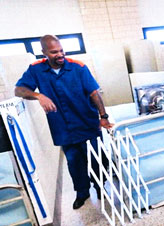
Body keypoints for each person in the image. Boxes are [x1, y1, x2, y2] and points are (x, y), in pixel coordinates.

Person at [15, 35, 113, 210]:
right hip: (63, 127)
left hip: (86, 122)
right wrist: (39, 95)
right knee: (74, 161)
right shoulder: (36, 69)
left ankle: (100, 186)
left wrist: (103, 117)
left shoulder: (78, 67)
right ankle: (82, 192)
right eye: (54, 52)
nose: (60, 54)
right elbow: (19, 90)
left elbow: (94, 94)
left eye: (61, 50)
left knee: (95, 158)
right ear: (43, 53)